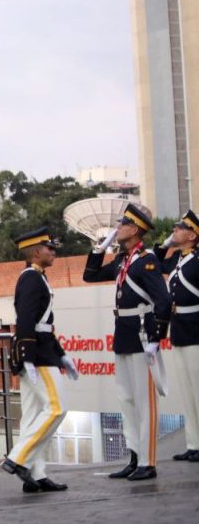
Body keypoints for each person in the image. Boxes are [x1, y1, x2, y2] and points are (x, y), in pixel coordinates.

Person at [83, 203, 172, 481]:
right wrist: (100, 247)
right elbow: (90, 275)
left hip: (142, 334)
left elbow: (163, 300)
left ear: (134, 230)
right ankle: (134, 457)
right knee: (127, 399)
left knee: (145, 402)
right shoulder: (123, 261)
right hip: (123, 334)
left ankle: (148, 462)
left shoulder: (147, 260)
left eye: (122, 225)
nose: (117, 228)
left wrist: (156, 338)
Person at [1, 227, 75, 493]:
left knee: (32, 415)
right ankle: (18, 459)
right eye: (49, 248)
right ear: (35, 252)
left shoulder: (38, 276)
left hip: (42, 349)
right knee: (56, 408)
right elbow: (26, 319)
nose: (53, 252)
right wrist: (28, 357)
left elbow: (44, 322)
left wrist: (62, 354)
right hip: (38, 354)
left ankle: (36, 473)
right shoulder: (31, 278)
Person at [154, 209, 199, 463]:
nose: (175, 230)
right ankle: (194, 444)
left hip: (196, 329)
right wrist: (167, 243)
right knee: (187, 391)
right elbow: (156, 262)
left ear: (192, 235)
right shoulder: (176, 259)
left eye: (180, 228)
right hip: (180, 329)